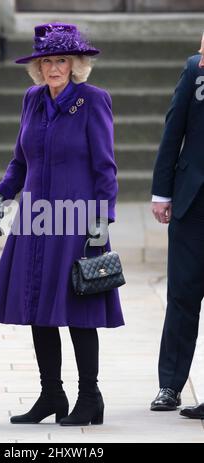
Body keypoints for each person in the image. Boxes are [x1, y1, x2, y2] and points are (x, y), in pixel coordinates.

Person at [0, 22, 124, 426]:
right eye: (47, 61)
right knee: (37, 308)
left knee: (78, 310)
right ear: (38, 67)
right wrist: (2, 192)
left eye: (61, 60)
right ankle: (51, 395)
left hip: (76, 221)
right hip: (34, 221)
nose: (54, 68)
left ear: (76, 64)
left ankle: (90, 398)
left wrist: (102, 219)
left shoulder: (93, 101)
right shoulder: (33, 100)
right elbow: (20, 161)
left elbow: (105, 169)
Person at [150, 35, 204, 415]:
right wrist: (161, 192)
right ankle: (170, 386)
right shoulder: (194, 70)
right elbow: (174, 130)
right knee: (182, 296)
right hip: (192, 201)